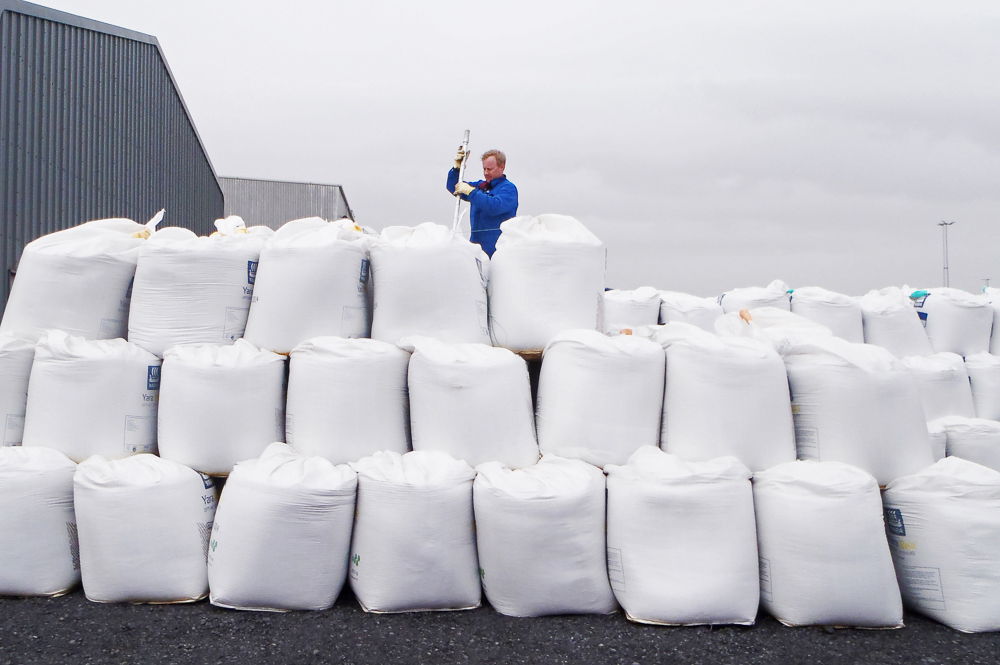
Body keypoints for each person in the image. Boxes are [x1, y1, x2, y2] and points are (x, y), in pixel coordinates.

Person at [446, 148, 518, 257]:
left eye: (490, 169)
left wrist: (472, 193)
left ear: (502, 167)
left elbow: (494, 207)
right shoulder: (480, 187)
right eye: (484, 169)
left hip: (499, 253)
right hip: (477, 251)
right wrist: (457, 169)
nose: (486, 173)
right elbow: (454, 186)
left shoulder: (509, 189)